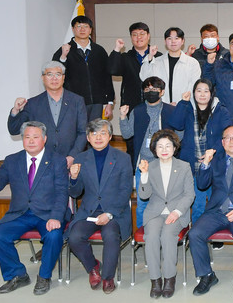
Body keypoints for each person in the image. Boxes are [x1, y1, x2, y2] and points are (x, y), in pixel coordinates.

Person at [0, 121, 69, 295]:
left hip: (48, 213)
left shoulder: (57, 160)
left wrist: (56, 217)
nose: (31, 141)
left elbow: (62, 192)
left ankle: (44, 277)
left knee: (54, 236)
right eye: (27, 137)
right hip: (20, 213)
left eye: (35, 137)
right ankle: (17, 274)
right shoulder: (12, 160)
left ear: (44, 139)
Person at [189, 125, 233, 296]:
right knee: (194, 234)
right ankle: (207, 275)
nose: (232, 141)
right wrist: (205, 163)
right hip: (217, 211)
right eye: (227, 137)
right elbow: (202, 185)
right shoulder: (216, 160)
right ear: (222, 142)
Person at [67, 119, 133, 294]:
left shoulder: (123, 158)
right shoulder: (81, 159)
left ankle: (108, 277)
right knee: (74, 237)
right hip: (89, 211)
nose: (98, 137)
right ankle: (93, 267)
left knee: (110, 235)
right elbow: (75, 193)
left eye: (103, 133)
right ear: (88, 138)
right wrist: (73, 178)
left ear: (110, 136)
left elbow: (125, 190)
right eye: (94, 133)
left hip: (115, 211)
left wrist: (109, 213)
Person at [137, 129, 195, 299]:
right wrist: (144, 175)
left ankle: (169, 278)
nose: (164, 149)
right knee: (152, 236)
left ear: (174, 148)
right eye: (160, 146)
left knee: (168, 235)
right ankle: (155, 280)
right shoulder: (150, 166)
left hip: (177, 212)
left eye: (168, 146)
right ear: (154, 149)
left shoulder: (184, 166)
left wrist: (176, 212)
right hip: (155, 212)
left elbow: (189, 194)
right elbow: (144, 195)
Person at [168, 78, 233, 222]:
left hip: (213, 164)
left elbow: (228, 135)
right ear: (194, 93)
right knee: (198, 205)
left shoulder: (221, 110)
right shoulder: (187, 108)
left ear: (211, 93)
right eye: (199, 91)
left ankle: (215, 231)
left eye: (206, 91)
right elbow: (175, 124)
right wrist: (183, 103)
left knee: (216, 203)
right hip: (192, 164)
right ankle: (197, 232)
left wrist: (213, 151)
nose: (202, 94)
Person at [118, 76, 176, 227]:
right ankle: (142, 233)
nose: (151, 92)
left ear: (162, 92)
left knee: (166, 202)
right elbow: (127, 134)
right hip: (143, 164)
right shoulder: (137, 111)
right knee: (142, 203)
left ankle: (165, 232)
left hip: (165, 164)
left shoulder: (170, 110)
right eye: (147, 89)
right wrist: (123, 117)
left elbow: (179, 136)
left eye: (155, 89)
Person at [7, 61, 87, 164]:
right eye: (49, 74)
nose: (54, 78)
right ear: (43, 78)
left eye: (58, 74)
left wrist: (72, 156)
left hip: (71, 161)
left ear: (63, 77)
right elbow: (14, 130)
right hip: (43, 162)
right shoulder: (33, 103)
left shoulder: (77, 101)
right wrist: (15, 110)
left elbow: (83, 132)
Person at [109, 22, 161, 157]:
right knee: (132, 143)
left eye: (142, 34)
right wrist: (117, 49)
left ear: (148, 36)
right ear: (131, 37)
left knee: (156, 142)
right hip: (131, 105)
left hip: (154, 105)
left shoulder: (158, 56)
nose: (139, 37)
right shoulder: (125, 57)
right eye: (135, 35)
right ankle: (133, 168)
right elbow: (113, 70)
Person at [52, 15, 115, 120]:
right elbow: (55, 73)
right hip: (73, 101)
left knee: (94, 129)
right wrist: (63, 57)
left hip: (96, 102)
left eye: (85, 26)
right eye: (79, 26)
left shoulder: (99, 50)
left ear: (90, 30)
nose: (82, 29)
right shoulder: (64, 50)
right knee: (76, 129)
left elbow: (106, 77)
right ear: (73, 29)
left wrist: (109, 102)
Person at [140, 27, 201, 104]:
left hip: (184, 106)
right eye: (169, 38)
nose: (173, 41)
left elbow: (194, 87)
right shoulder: (157, 62)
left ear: (183, 41)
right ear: (165, 41)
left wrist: (180, 104)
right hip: (161, 106)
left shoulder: (192, 63)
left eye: (176, 38)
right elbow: (144, 77)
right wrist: (150, 56)